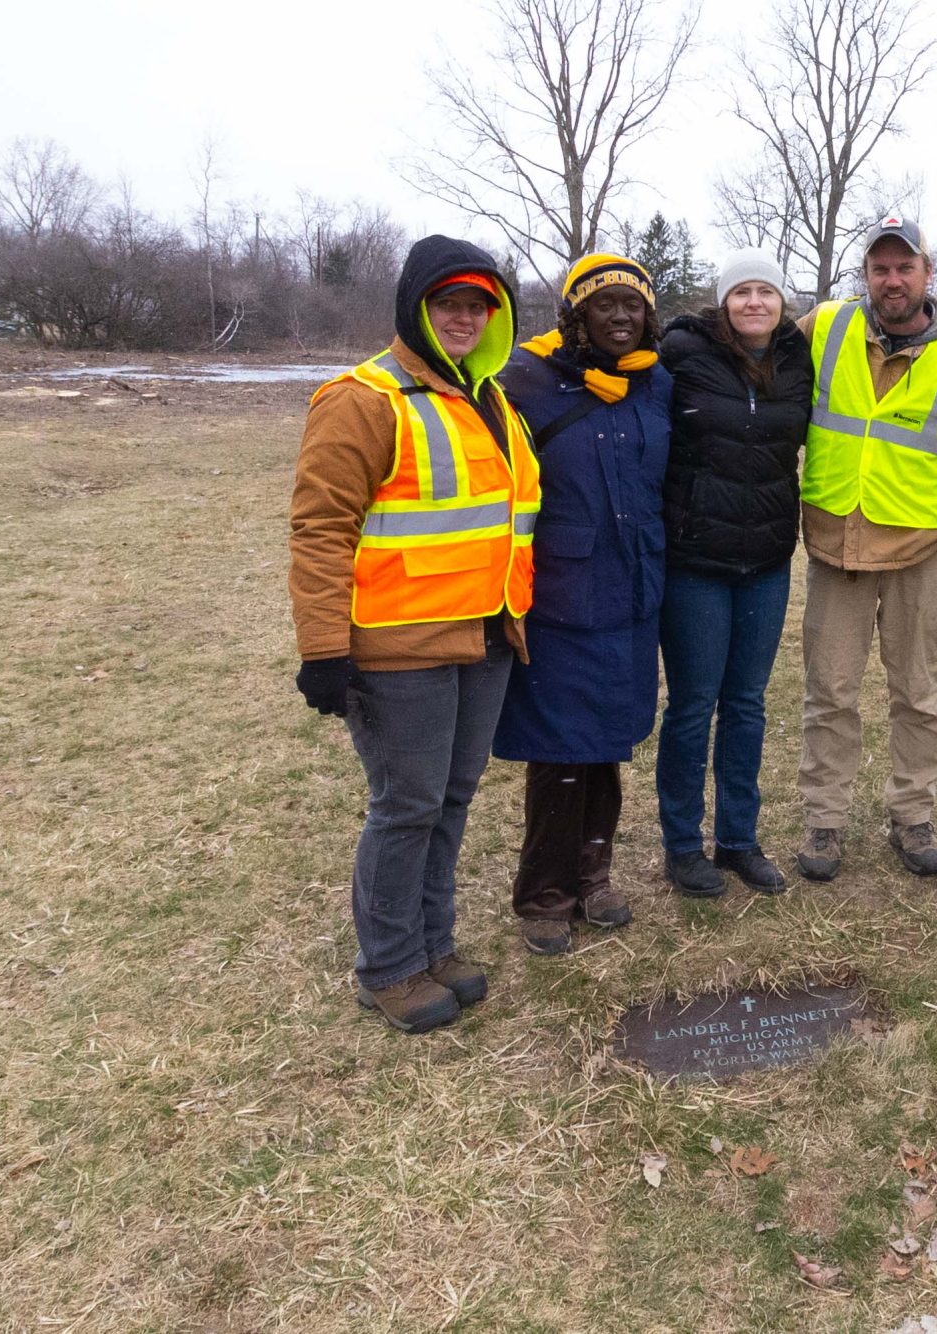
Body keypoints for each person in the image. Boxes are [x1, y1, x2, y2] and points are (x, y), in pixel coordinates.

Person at [289, 235, 540, 1033]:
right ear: (415, 308)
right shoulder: (363, 399)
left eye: (478, 305)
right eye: (447, 303)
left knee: (451, 799)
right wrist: (323, 650)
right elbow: (321, 529)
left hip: (486, 636)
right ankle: (390, 967)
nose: (464, 318)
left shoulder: (491, 398)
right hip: (399, 647)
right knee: (407, 805)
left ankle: (433, 946)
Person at [793, 215, 937, 882]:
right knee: (829, 693)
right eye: (880, 268)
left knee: (917, 693)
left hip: (922, 554)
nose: (892, 280)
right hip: (838, 549)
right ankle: (824, 821)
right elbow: (753, 360)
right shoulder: (824, 328)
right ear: (866, 274)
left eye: (905, 267)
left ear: (927, 273)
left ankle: (913, 815)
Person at [492, 255, 671, 955]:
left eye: (633, 305)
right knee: (560, 747)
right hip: (561, 594)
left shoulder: (656, 382)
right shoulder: (525, 381)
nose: (621, 316)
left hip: (633, 589)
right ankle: (545, 895)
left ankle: (594, 877)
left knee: (607, 743)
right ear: (576, 315)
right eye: (604, 305)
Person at [654, 252, 811, 896]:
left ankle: (739, 839)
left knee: (747, 704)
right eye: (741, 291)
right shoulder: (681, 354)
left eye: (765, 291)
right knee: (694, 706)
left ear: (781, 301)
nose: (754, 302)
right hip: (696, 561)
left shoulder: (797, 359)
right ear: (723, 301)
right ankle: (682, 844)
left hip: (766, 560)